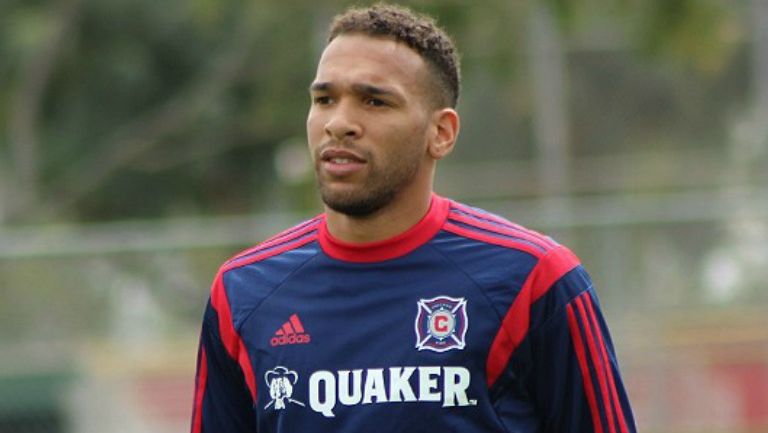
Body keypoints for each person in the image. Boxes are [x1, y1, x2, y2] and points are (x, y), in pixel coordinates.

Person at [190, 4, 636, 433]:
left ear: (440, 133)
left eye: (375, 102)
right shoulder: (243, 292)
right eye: (325, 99)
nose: (339, 123)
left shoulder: (536, 280)